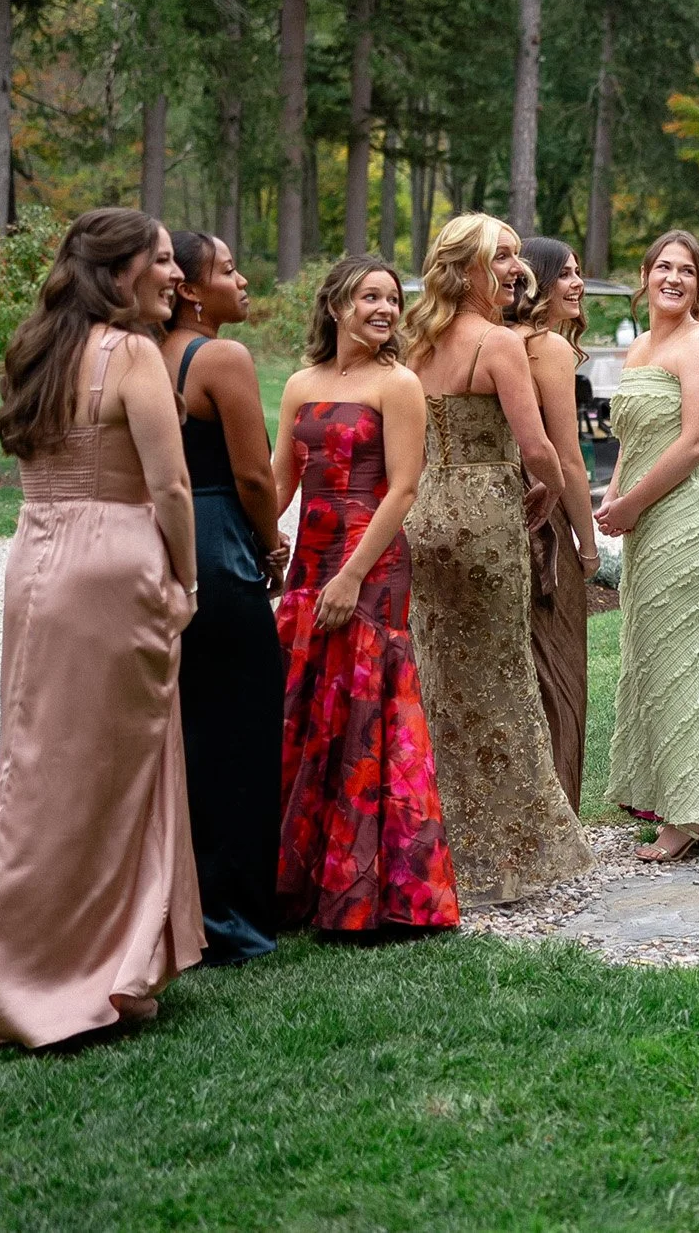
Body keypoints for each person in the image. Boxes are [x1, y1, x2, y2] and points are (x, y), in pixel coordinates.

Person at [0, 210, 202, 1047]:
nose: (173, 273)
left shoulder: (34, 350)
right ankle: (90, 973)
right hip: (114, 564)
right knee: (109, 772)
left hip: (37, 559)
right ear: (120, 271)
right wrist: (187, 578)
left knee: (37, 766)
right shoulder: (129, 354)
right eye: (159, 261)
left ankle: (17, 969)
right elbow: (169, 487)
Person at [401, 213, 591, 907]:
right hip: (485, 512)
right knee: (504, 673)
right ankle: (512, 849)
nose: (516, 269)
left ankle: (438, 839)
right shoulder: (498, 344)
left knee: (441, 679)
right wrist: (546, 488)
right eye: (501, 258)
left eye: (517, 256)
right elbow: (537, 445)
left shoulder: (415, 340)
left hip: (426, 508)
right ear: (470, 269)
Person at [272, 256, 458, 933]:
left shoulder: (398, 383)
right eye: (369, 296)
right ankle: (297, 879)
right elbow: (279, 480)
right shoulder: (301, 383)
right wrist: (259, 541)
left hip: (371, 563)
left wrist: (350, 574)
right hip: (310, 557)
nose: (384, 308)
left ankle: (370, 893)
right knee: (307, 701)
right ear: (336, 305)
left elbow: (404, 487)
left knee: (363, 713)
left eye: (391, 298)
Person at [595, 232, 699, 858]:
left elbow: (696, 443)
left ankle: (691, 817)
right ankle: (676, 795)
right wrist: (612, 499)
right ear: (644, 275)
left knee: (688, 659)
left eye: (686, 271)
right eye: (663, 267)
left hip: (689, 517)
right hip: (644, 520)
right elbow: (632, 440)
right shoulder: (641, 346)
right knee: (656, 658)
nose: (674, 278)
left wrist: (633, 504)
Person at [158, 231, 287, 965]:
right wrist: (271, 545)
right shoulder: (221, 359)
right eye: (229, 270)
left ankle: (179, 903)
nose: (244, 281)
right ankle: (232, 914)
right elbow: (254, 476)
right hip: (217, 542)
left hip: (162, 543)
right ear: (190, 290)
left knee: (184, 730)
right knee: (240, 729)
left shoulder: (146, 355)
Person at [512, 236, 601, 808]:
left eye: (578, 271)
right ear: (537, 281)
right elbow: (566, 455)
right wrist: (588, 547)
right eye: (565, 274)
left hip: (497, 510)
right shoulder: (547, 348)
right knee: (557, 667)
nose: (577, 283)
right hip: (541, 521)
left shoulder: (493, 341)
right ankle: (555, 809)